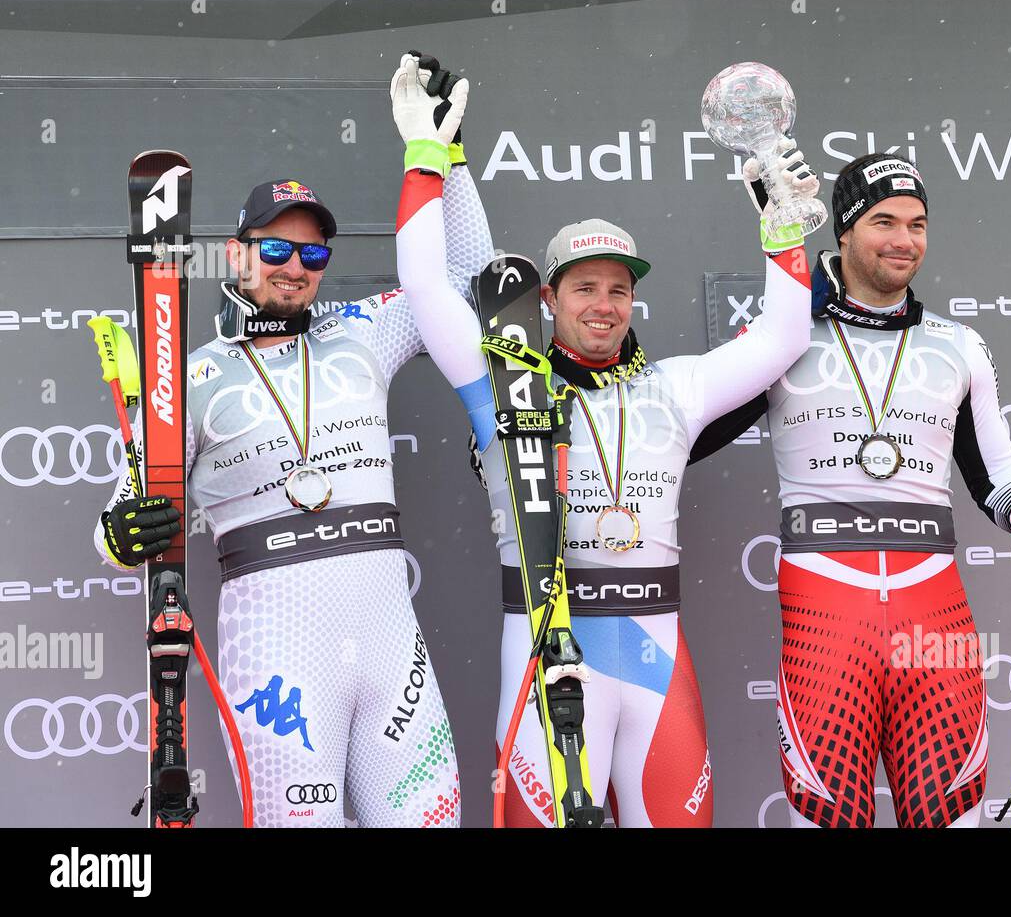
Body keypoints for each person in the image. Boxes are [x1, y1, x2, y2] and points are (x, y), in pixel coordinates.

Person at [388, 53, 818, 826]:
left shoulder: (676, 387)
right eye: (584, 287)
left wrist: (781, 226)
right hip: (543, 645)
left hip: (655, 657)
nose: (604, 304)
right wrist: (426, 157)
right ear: (548, 297)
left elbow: (784, 338)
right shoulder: (501, 385)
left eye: (619, 289)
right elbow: (424, 286)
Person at [92, 102, 493, 826]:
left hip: (389, 643)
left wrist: (446, 157)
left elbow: (464, 278)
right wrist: (122, 532)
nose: (295, 268)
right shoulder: (185, 379)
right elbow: (119, 528)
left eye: (313, 254)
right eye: (276, 250)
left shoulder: (363, 331)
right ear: (238, 255)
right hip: (276, 648)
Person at [750, 152, 1011, 828]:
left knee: (951, 816)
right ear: (842, 230)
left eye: (918, 223)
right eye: (884, 221)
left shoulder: (957, 346)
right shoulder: (783, 336)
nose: (904, 239)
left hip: (936, 619)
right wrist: (783, 254)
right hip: (824, 622)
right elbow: (698, 421)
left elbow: (998, 479)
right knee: (829, 816)